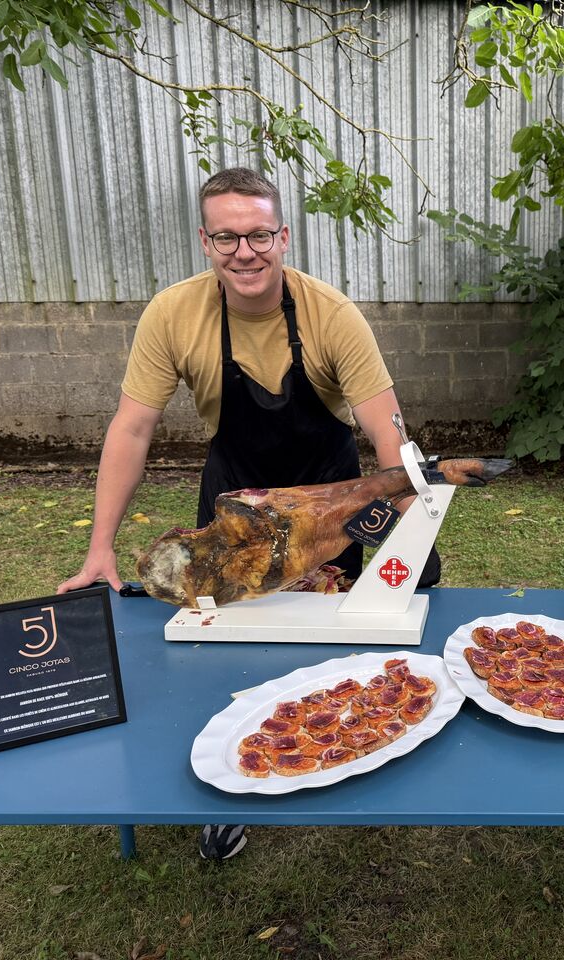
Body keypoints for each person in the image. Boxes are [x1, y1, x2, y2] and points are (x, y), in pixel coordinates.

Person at [57, 166, 439, 859]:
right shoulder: (174, 314)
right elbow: (131, 428)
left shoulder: (331, 314)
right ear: (206, 242)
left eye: (258, 234)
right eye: (227, 237)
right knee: (228, 647)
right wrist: (99, 548)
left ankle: (356, 751)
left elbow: (387, 430)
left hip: (329, 493)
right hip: (235, 497)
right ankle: (239, 779)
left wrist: (410, 524)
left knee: (356, 626)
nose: (245, 251)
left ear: (282, 235)